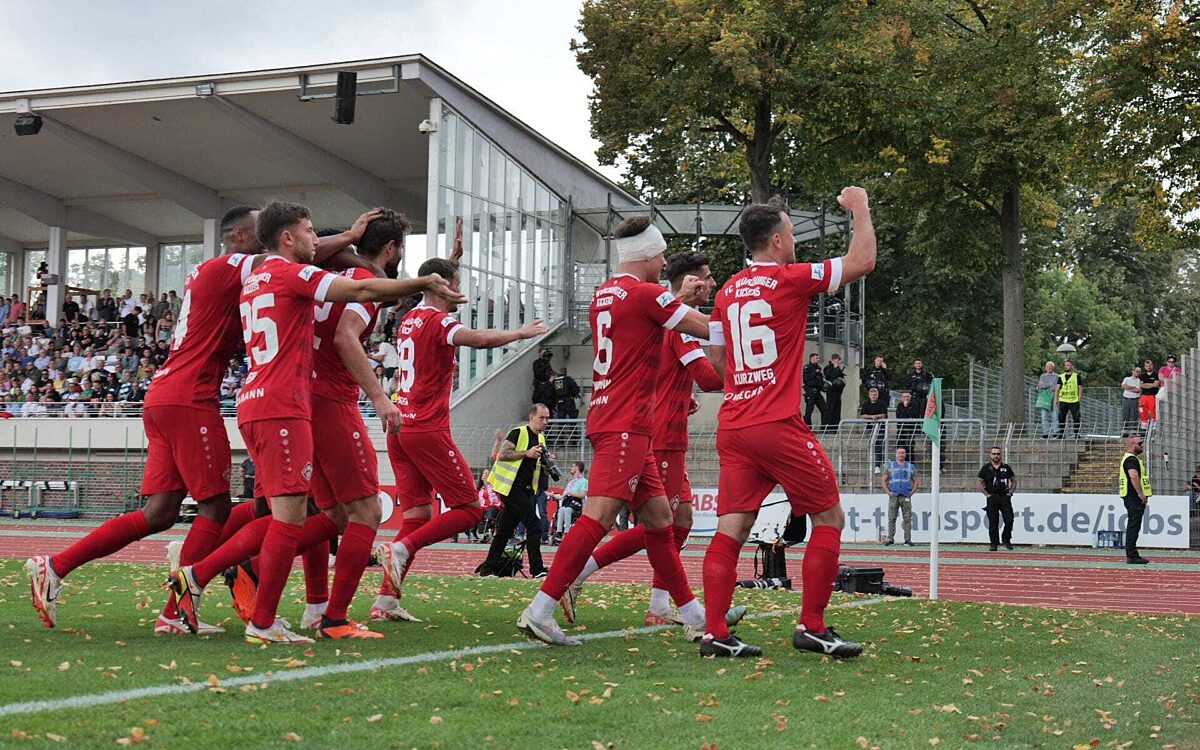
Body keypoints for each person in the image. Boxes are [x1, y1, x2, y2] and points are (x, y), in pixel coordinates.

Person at [170, 200, 461, 645]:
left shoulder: (255, 277)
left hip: (268, 399)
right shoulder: (296, 274)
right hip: (297, 402)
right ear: (287, 237)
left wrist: (352, 244)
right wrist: (423, 281)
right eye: (307, 231)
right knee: (347, 511)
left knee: (312, 512)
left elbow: (344, 278)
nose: (313, 238)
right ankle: (306, 614)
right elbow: (358, 304)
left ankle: (285, 599)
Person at [25, 204, 269, 633]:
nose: (272, 238)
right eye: (263, 231)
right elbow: (291, 262)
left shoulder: (211, 272)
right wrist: (345, 240)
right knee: (215, 506)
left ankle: (56, 565)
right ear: (239, 237)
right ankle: (176, 612)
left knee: (160, 513)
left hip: (167, 393)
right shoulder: (232, 264)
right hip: (190, 397)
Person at [516, 214, 714, 648]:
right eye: (661, 254)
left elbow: (644, 334)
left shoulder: (604, 294)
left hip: (623, 420)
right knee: (598, 518)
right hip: (626, 423)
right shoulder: (646, 294)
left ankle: (694, 614)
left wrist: (677, 299)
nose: (664, 262)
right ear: (645, 255)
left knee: (661, 520)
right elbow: (705, 329)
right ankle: (541, 607)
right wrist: (754, 318)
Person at [700, 186, 875, 659]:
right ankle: (813, 626)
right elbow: (861, 262)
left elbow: (715, 366)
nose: (795, 241)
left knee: (731, 529)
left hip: (733, 423)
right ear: (776, 241)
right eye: (792, 234)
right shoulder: (790, 278)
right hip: (775, 421)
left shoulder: (725, 293)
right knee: (829, 517)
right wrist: (859, 206)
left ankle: (715, 631)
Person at [560, 250, 729, 630]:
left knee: (679, 520)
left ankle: (664, 603)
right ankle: (586, 573)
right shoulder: (677, 324)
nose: (712, 284)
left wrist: (681, 397)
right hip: (659, 436)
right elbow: (710, 378)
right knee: (655, 523)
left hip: (665, 432)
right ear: (688, 280)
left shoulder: (667, 316)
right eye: (707, 277)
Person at [374, 256, 548, 620]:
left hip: (399, 427)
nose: (461, 290)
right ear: (440, 285)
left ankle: (386, 601)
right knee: (469, 510)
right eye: (456, 282)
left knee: (418, 514)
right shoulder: (440, 321)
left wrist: (452, 259)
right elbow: (479, 338)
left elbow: (432, 287)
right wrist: (520, 333)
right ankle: (401, 549)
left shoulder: (410, 318)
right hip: (425, 428)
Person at [477, 404, 556, 576]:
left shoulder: (541, 439)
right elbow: (503, 455)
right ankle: (537, 569)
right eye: (542, 418)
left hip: (526, 490)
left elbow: (535, 467)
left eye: (548, 418)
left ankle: (487, 569)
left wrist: (547, 463)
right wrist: (526, 453)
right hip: (511, 488)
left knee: (504, 530)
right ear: (531, 417)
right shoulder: (519, 432)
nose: (545, 422)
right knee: (535, 526)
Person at [1119, 435, 1151, 564]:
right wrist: (1140, 493)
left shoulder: (1130, 459)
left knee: (1134, 525)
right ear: (1132, 444)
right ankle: (1132, 555)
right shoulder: (1131, 460)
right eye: (1139, 443)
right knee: (1134, 526)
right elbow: (1134, 476)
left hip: (1130, 496)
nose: (1142, 445)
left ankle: (1132, 554)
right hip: (1133, 497)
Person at [977, 446, 1017, 551]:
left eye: (998, 454)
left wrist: (1010, 493)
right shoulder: (986, 468)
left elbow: (1014, 481)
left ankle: (1006, 539)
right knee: (993, 522)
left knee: (1009, 519)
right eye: (994, 454)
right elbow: (979, 482)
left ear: (1001, 455)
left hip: (1004, 497)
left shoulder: (1006, 467)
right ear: (990, 455)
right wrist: (987, 494)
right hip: (992, 497)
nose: (996, 456)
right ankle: (994, 543)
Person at [882, 447, 918, 546]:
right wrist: (888, 492)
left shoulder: (910, 467)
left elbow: (916, 481)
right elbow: (884, 480)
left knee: (907, 518)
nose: (901, 455)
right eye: (899, 453)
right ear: (896, 454)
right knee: (892, 517)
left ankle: (907, 539)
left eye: (903, 453)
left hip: (906, 495)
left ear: (905, 455)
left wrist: (911, 493)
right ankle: (890, 538)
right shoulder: (890, 466)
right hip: (894, 495)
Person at [554, 462, 588, 544]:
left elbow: (583, 495)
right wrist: (553, 495)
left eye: (572, 466)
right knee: (561, 509)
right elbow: (563, 496)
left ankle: (567, 532)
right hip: (567, 502)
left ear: (577, 468)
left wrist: (570, 493)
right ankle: (559, 532)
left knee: (567, 510)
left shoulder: (584, 481)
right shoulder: (571, 482)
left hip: (577, 504)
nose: (571, 468)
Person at [860, 387, 888, 472]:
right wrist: (872, 417)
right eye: (872, 395)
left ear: (878, 395)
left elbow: (883, 415)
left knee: (880, 445)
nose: (873, 396)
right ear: (869, 395)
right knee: (874, 446)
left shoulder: (882, 403)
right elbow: (863, 415)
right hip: (870, 428)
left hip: (881, 428)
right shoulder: (866, 404)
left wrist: (877, 417)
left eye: (875, 394)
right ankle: (879, 463)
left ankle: (878, 464)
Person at [1055, 359, 1081, 438]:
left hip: (1074, 400)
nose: (1066, 367)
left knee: (1076, 418)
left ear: (1072, 366)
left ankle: (1076, 434)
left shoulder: (1076, 376)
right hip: (1063, 400)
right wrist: (1056, 399)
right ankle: (1061, 434)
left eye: (1068, 365)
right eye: (1065, 365)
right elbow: (1057, 387)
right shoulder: (1061, 376)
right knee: (1061, 418)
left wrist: (1079, 398)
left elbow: (1080, 387)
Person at [802, 353, 827, 428]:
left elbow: (821, 380)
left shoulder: (819, 368)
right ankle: (808, 427)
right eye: (816, 358)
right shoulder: (807, 367)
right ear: (811, 359)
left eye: (818, 358)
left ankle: (824, 427)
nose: (818, 359)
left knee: (824, 408)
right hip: (810, 391)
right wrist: (814, 373)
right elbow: (806, 379)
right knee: (809, 410)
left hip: (817, 391)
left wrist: (823, 387)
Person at [894, 390, 921, 457]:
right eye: (904, 397)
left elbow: (914, 415)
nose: (906, 398)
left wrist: (906, 408)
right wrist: (905, 408)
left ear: (910, 397)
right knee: (900, 445)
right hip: (901, 429)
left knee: (909, 446)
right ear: (902, 398)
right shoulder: (899, 405)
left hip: (910, 428)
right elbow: (899, 416)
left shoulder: (914, 405)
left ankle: (910, 462)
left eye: (907, 396)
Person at [823, 353, 846, 427]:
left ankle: (836, 426)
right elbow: (830, 376)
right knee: (830, 409)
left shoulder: (838, 368)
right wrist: (835, 368)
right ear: (833, 360)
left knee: (837, 410)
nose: (839, 363)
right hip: (831, 391)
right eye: (838, 361)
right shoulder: (828, 368)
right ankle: (829, 426)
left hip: (838, 392)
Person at [1036, 361, 1058, 438]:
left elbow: (1056, 387)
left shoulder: (1057, 376)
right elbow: (1040, 385)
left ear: (1053, 367)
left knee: (1054, 416)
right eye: (1047, 367)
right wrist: (1050, 384)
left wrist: (1046, 386)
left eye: (1050, 366)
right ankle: (1046, 433)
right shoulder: (1042, 376)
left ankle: (1055, 433)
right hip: (1045, 398)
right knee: (1044, 416)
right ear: (1046, 368)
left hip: (1054, 397)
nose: (1049, 368)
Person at [1139, 359, 1161, 426]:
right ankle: (1144, 428)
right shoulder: (1142, 375)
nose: (1148, 367)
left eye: (1150, 365)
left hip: (1153, 396)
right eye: (1146, 366)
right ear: (1145, 367)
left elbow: (1156, 385)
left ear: (1152, 365)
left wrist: (1146, 384)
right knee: (1143, 412)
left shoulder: (1156, 375)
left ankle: (1154, 428)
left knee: (1153, 412)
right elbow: (1141, 385)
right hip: (1144, 396)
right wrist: (1151, 385)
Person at [1121, 366, 1143, 434]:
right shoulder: (1127, 379)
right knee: (1125, 415)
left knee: (1134, 415)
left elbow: (1138, 390)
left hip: (1135, 400)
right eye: (1136, 371)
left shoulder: (1139, 381)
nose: (1138, 373)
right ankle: (1125, 430)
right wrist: (1133, 387)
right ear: (1133, 371)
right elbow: (1123, 386)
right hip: (1126, 399)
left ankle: (1134, 430)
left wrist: (1128, 388)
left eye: (1139, 372)